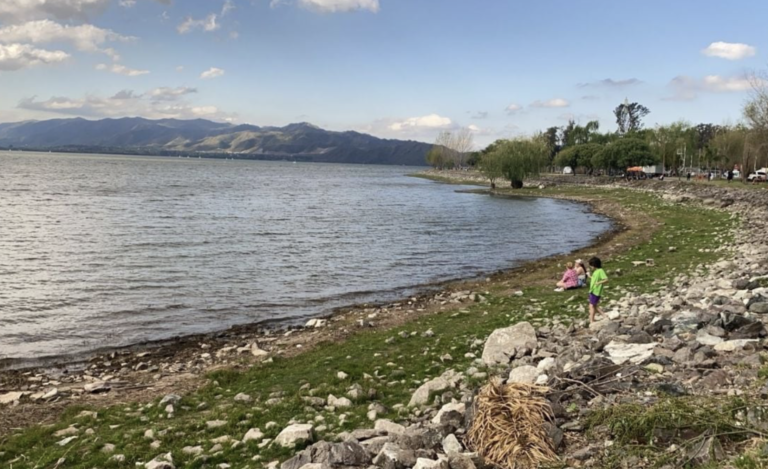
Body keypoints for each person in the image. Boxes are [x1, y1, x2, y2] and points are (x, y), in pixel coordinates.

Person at [588, 257, 608, 323]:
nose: (591, 267)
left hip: (596, 291)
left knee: (591, 305)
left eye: (591, 265)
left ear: (594, 265)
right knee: (594, 305)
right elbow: (594, 279)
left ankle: (592, 320)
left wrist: (599, 283)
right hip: (592, 290)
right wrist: (589, 276)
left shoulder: (601, 271)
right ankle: (604, 315)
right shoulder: (596, 272)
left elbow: (606, 279)